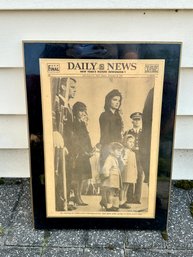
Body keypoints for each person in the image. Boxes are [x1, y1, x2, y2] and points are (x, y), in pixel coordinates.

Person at [53, 77, 77, 211]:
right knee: (61, 173)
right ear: (63, 87)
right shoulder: (58, 103)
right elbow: (58, 126)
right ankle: (60, 202)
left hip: (70, 148)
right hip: (62, 146)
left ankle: (66, 199)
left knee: (68, 173)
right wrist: (64, 146)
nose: (75, 90)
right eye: (72, 87)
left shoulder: (69, 105)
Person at [99, 89, 124, 207]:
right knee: (107, 175)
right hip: (108, 147)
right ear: (108, 100)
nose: (117, 102)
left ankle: (115, 201)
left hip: (117, 148)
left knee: (116, 175)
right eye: (114, 99)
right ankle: (105, 200)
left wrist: (120, 148)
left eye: (119, 100)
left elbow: (119, 134)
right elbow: (105, 134)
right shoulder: (104, 115)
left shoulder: (118, 116)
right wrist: (110, 148)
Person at [72, 102, 94, 206]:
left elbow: (86, 138)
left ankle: (78, 196)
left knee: (81, 177)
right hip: (79, 153)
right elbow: (76, 140)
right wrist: (82, 151)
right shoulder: (74, 123)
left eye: (84, 111)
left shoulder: (82, 123)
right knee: (77, 177)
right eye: (80, 111)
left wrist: (90, 150)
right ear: (76, 111)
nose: (82, 113)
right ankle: (76, 197)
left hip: (85, 153)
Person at [124, 112, 144, 204]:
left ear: (141, 120)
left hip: (140, 155)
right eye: (135, 119)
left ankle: (137, 198)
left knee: (139, 175)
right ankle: (129, 198)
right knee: (130, 174)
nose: (137, 121)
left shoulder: (144, 132)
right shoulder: (128, 132)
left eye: (138, 119)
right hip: (130, 154)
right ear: (132, 121)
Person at [100, 142, 123, 211]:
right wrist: (106, 175)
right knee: (110, 193)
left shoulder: (115, 159)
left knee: (115, 193)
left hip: (114, 181)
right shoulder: (109, 159)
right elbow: (105, 168)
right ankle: (109, 206)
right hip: (110, 181)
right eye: (118, 151)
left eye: (121, 152)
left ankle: (115, 205)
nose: (119, 153)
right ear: (112, 151)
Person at [119, 134, 138, 208]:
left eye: (132, 142)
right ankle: (121, 202)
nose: (131, 143)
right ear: (125, 142)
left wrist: (134, 173)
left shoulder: (132, 152)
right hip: (125, 171)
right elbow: (122, 161)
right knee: (123, 187)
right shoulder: (124, 151)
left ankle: (123, 201)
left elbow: (134, 164)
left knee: (126, 187)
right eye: (130, 141)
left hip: (130, 172)